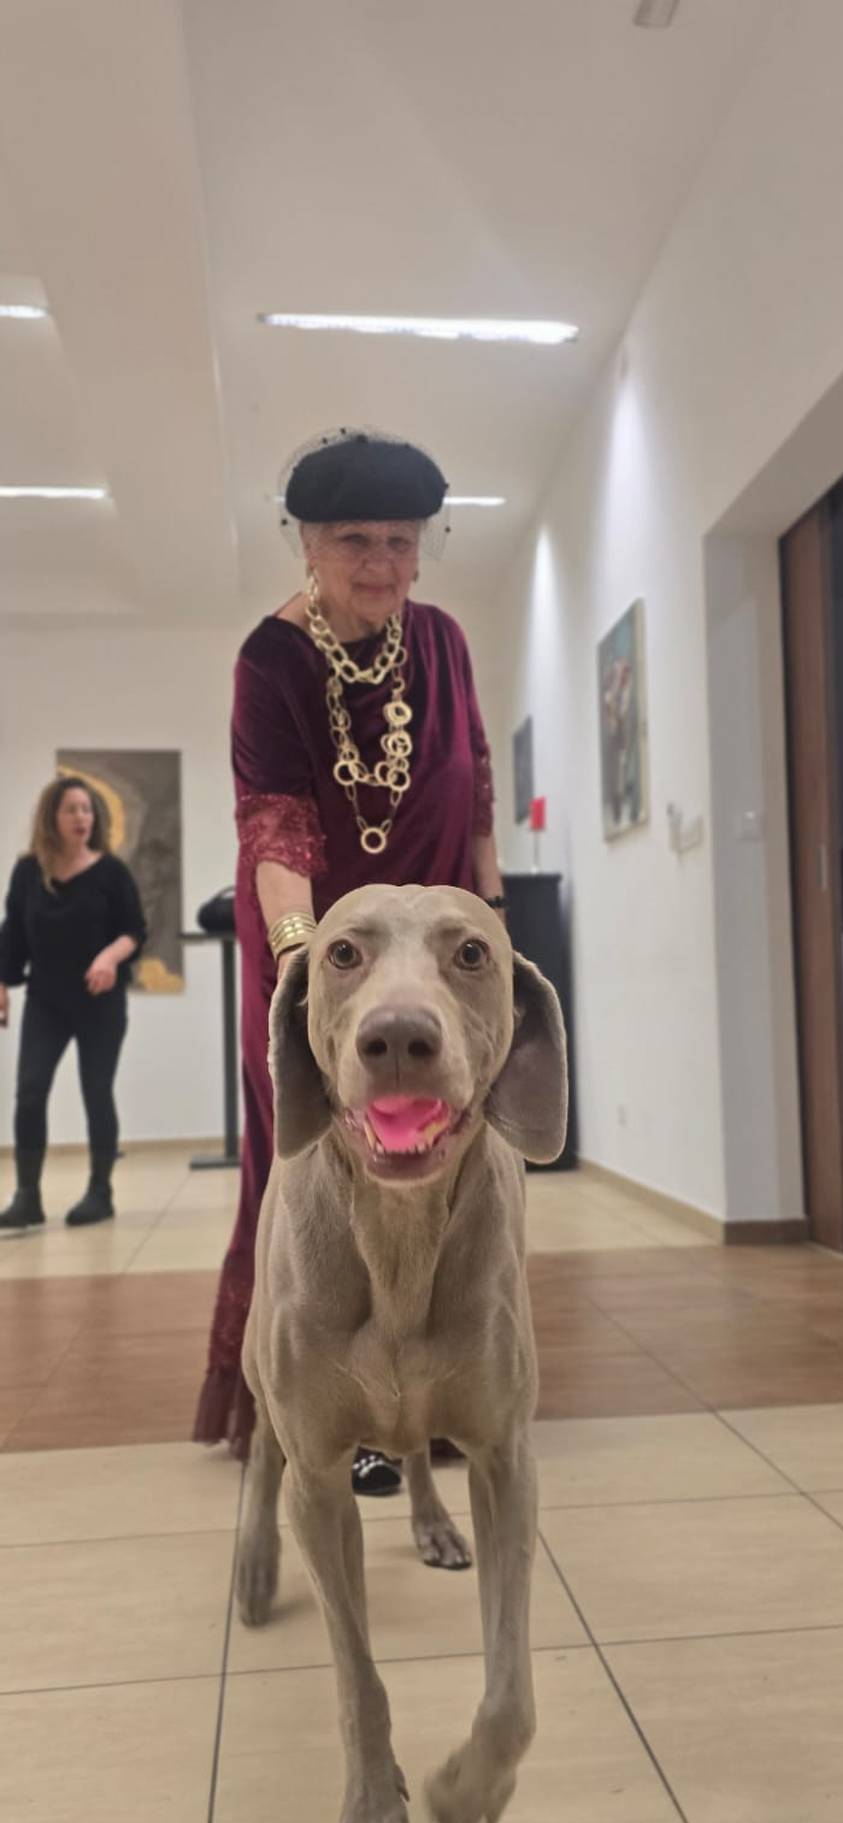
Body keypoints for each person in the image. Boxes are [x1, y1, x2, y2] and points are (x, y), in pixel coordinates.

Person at [194, 428, 506, 1491]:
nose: (380, 562)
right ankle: (324, 1399)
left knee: (451, 1152)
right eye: (352, 540)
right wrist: (304, 971)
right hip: (318, 953)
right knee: (315, 1163)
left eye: (400, 540)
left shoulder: (442, 640)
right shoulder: (270, 661)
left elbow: (474, 778)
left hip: (436, 954)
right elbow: (275, 825)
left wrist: (490, 917)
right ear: (307, 543)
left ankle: (447, 1385)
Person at [0, 777, 147, 1230]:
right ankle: (27, 1197)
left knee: (96, 1091)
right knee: (30, 1091)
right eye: (71, 809)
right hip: (46, 1000)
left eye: (87, 809)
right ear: (52, 818)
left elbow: (135, 930)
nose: (82, 817)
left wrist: (109, 957)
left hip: (99, 1002)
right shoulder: (28, 872)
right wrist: (2, 982)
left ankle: (100, 1192)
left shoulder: (111, 872)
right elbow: (13, 932)